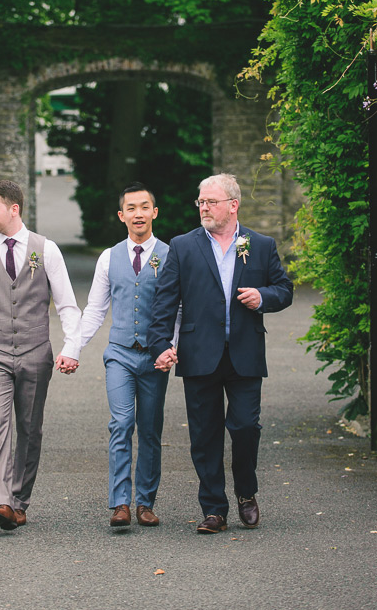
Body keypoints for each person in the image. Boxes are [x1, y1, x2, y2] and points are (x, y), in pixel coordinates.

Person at [147, 173, 293, 534]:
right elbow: (165, 301)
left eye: (211, 202)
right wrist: (162, 344)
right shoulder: (183, 246)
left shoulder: (259, 244)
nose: (203, 207)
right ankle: (214, 509)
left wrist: (264, 297)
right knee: (204, 434)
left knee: (245, 426)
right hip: (199, 354)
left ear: (233, 205)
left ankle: (246, 490)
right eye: (200, 202)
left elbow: (284, 289)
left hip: (244, 353)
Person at [0, 179, 81, 530]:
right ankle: (1, 501)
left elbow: (67, 304)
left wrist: (72, 347)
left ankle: (19, 500)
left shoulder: (47, 250)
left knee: (29, 428)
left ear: (14, 208)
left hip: (35, 352)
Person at [79, 183, 177, 528]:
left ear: (154, 213)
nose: (138, 213)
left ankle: (145, 503)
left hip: (155, 358)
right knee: (121, 424)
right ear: (122, 216)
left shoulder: (170, 255)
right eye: (131, 208)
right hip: (119, 354)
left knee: (150, 429)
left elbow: (179, 310)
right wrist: (72, 348)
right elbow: (94, 309)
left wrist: (171, 348)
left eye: (144, 207)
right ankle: (120, 502)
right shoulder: (109, 257)